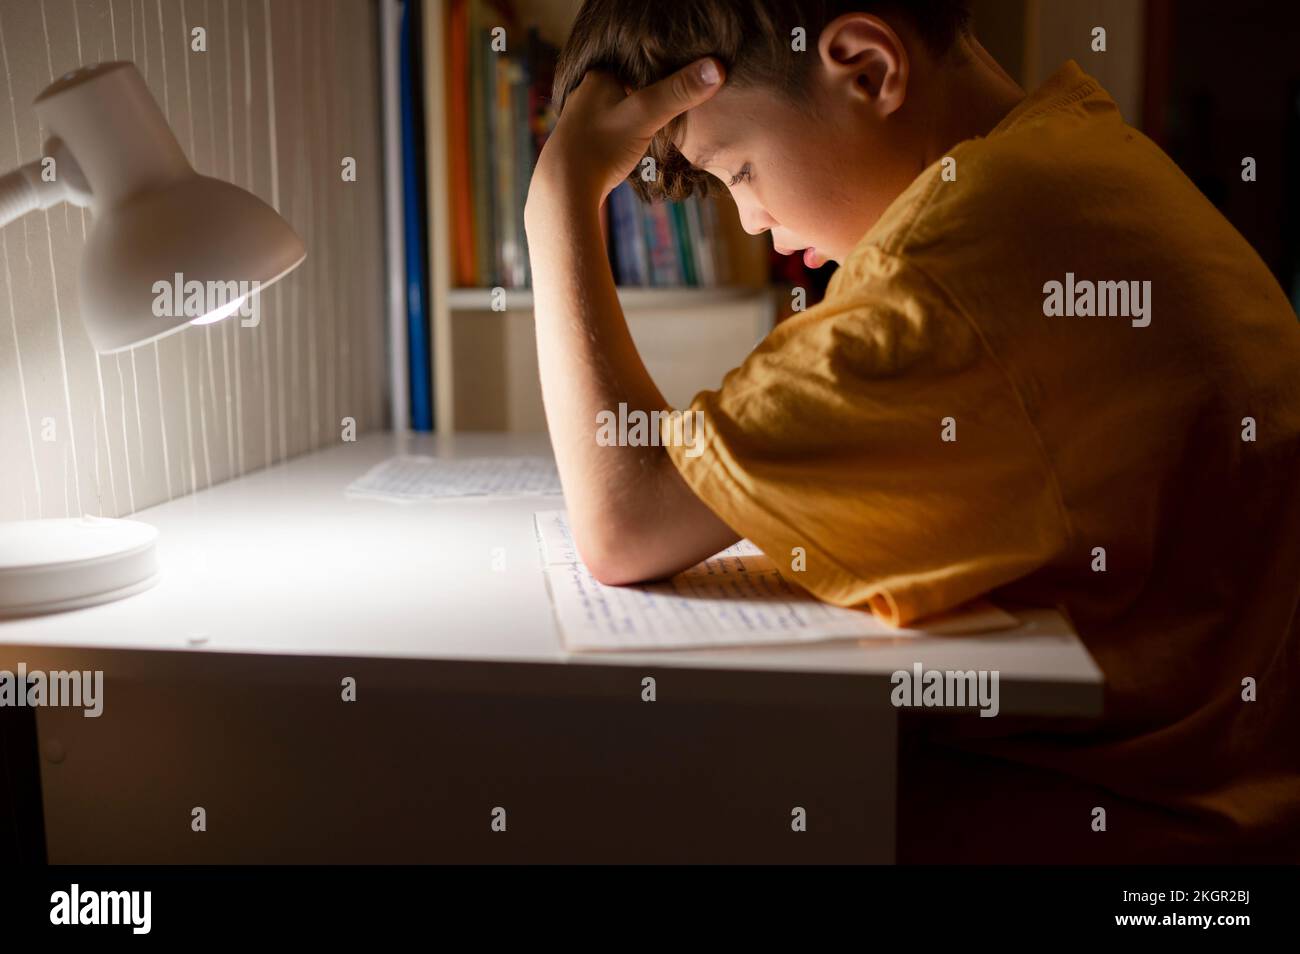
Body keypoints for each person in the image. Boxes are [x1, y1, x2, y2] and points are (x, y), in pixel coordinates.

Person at [523, 0, 1300, 861]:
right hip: (1231, 801)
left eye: (739, 171)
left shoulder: (953, 262)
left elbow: (623, 520)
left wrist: (557, 199)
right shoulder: (1079, 151)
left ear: (867, 69)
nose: (749, 219)